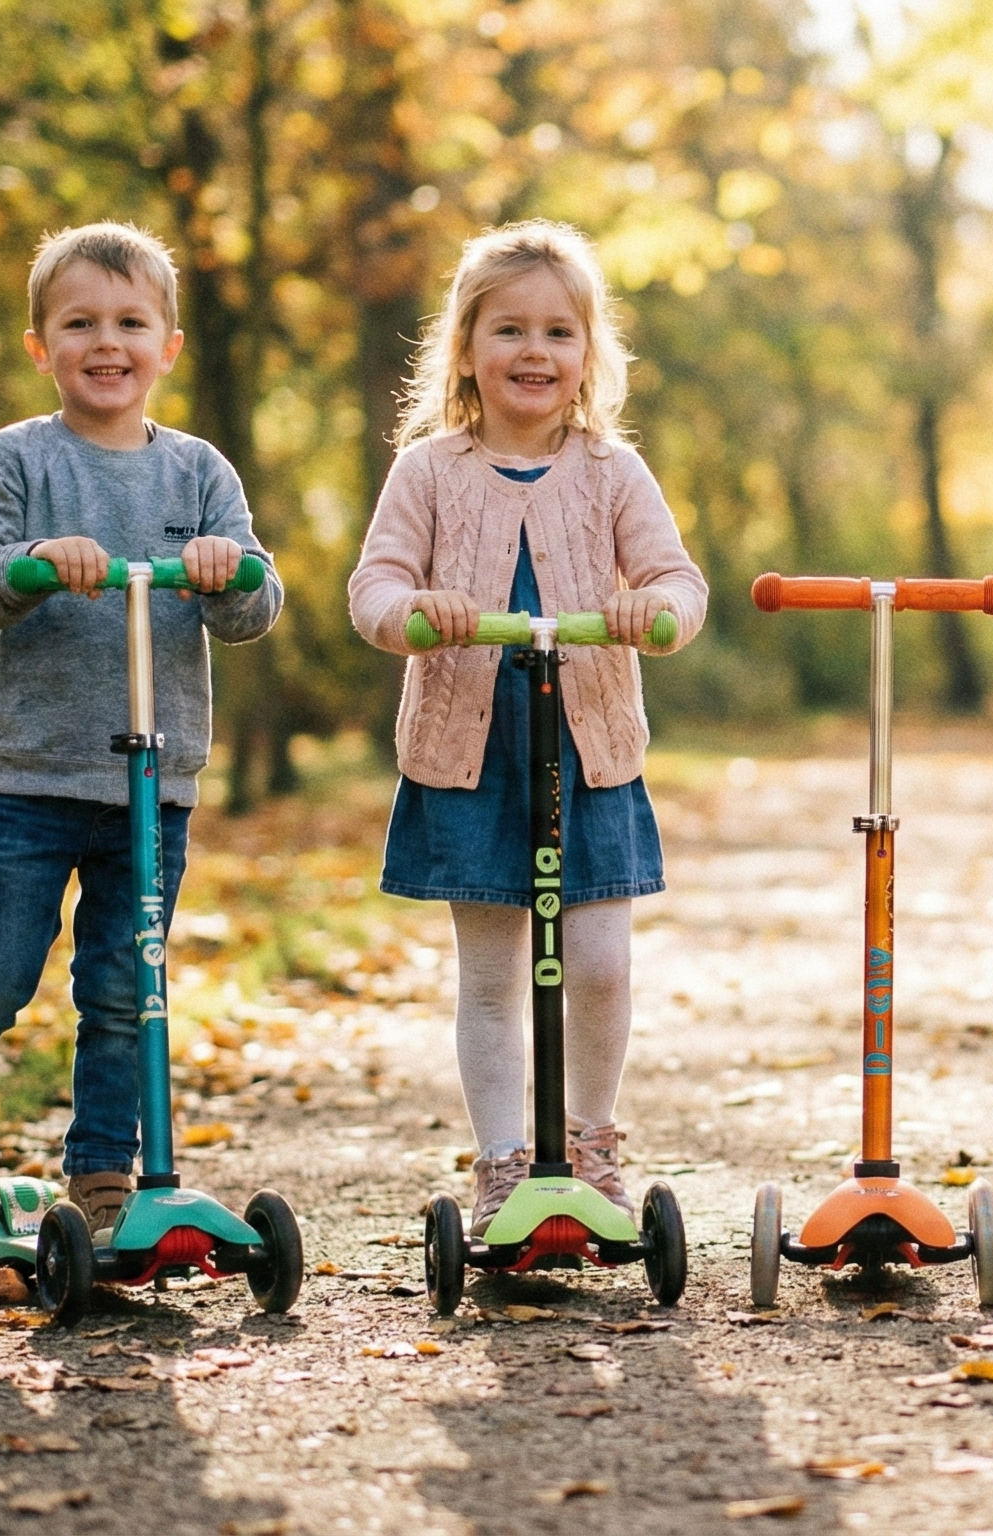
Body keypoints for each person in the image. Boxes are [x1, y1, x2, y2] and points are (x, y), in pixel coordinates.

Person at [0, 222, 282, 1243]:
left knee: (125, 991)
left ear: (167, 347)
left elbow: (258, 603)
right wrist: (35, 561)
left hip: (153, 784)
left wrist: (227, 570)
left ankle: (103, 1179)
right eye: (80, 323)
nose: (107, 342)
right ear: (41, 346)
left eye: (130, 323)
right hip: (34, 775)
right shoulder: (19, 459)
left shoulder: (199, 474)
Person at [348, 221, 706, 1229]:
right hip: (470, 757)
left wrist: (655, 610)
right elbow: (374, 587)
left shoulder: (611, 472)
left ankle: (590, 1144)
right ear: (466, 349)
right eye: (509, 330)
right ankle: (504, 1161)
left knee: (600, 965)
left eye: (558, 332)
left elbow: (679, 581)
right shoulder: (428, 471)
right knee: (494, 974)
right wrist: (416, 613)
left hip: (590, 756)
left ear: (589, 353)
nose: (534, 351)